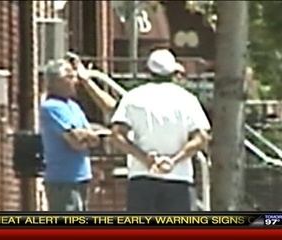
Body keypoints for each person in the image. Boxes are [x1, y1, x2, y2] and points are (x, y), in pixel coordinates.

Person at [109, 49, 211, 212]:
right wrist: (174, 160)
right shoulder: (187, 99)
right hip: (178, 178)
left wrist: (144, 158)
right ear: (173, 72)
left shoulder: (133, 97)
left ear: (148, 71)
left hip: (142, 177)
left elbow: (116, 135)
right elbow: (201, 138)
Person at [40, 59, 103, 211]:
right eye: (70, 77)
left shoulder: (74, 106)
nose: (75, 81)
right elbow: (74, 141)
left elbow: (94, 139)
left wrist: (87, 136)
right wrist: (84, 136)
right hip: (62, 180)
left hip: (82, 177)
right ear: (55, 81)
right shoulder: (51, 107)